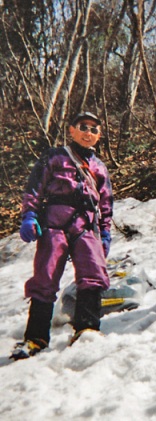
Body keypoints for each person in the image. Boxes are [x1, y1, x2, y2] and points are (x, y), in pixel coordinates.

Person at [11, 112, 113, 360]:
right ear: (72, 130)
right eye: (83, 127)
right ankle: (35, 338)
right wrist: (29, 216)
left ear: (99, 136)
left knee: (93, 273)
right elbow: (34, 188)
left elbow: (106, 201)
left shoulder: (99, 167)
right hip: (55, 222)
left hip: (87, 225)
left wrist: (106, 230)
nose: (88, 132)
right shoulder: (54, 157)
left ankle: (87, 329)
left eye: (94, 129)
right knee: (45, 276)